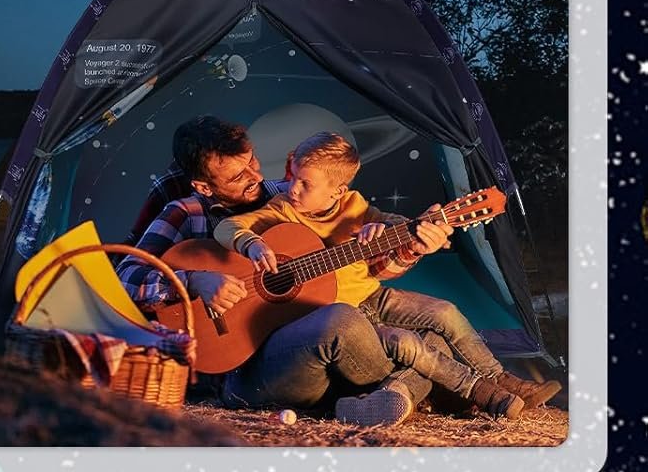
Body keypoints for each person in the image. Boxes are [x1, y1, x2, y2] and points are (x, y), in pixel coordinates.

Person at [119, 117, 497, 428]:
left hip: (315, 349)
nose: (255, 177)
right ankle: (415, 386)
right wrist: (192, 282)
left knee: (430, 327)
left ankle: (391, 395)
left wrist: (409, 243)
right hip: (243, 369)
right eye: (237, 176)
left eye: (252, 162)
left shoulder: (291, 193)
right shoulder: (184, 214)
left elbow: (367, 263)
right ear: (203, 186)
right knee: (347, 321)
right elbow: (124, 281)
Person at [215, 131, 559, 423]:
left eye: (305, 184)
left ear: (337, 191)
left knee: (445, 311)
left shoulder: (354, 206)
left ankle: (500, 378)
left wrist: (417, 230)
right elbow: (226, 227)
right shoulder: (281, 209)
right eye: (293, 177)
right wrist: (252, 244)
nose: (293, 188)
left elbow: (392, 223)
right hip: (333, 314)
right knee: (411, 343)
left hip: (370, 298)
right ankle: (461, 392)